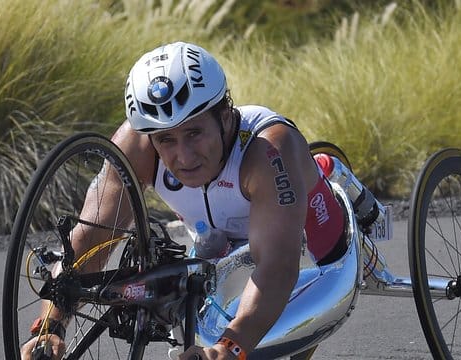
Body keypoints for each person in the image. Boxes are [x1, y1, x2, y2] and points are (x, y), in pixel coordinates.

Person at [20, 41, 349, 360]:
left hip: (312, 252)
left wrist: (231, 347)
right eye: (167, 139)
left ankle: (331, 174)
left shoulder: (267, 151)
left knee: (244, 342)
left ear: (224, 115)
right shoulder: (138, 146)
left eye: (194, 133)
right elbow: (89, 240)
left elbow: (277, 268)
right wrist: (50, 326)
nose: (183, 156)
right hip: (219, 248)